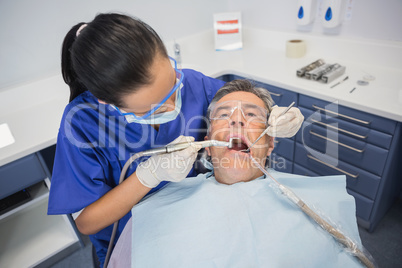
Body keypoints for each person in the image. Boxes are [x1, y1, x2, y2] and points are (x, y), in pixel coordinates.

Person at [47, 13, 304, 267]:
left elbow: (238, 103)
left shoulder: (192, 83)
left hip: (196, 219)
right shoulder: (82, 123)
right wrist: (148, 176)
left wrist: (274, 115)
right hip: (136, 241)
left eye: (173, 84)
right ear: (108, 103)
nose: (173, 104)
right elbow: (86, 221)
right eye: (156, 108)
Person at [108, 80, 365, 268]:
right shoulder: (156, 211)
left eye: (251, 114)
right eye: (224, 115)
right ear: (207, 145)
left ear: (271, 143)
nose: (237, 121)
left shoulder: (319, 208)